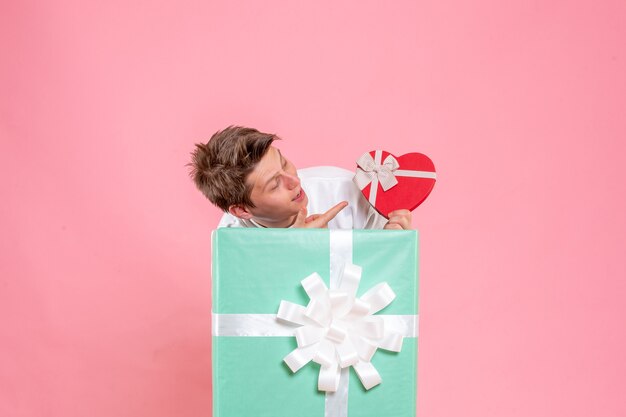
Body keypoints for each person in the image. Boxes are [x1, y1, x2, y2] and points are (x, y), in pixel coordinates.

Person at [188, 126, 412, 229]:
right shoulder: (231, 235)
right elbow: (248, 312)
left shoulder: (352, 193)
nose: (294, 181)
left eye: (284, 162)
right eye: (275, 184)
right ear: (242, 210)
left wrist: (394, 246)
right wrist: (297, 249)